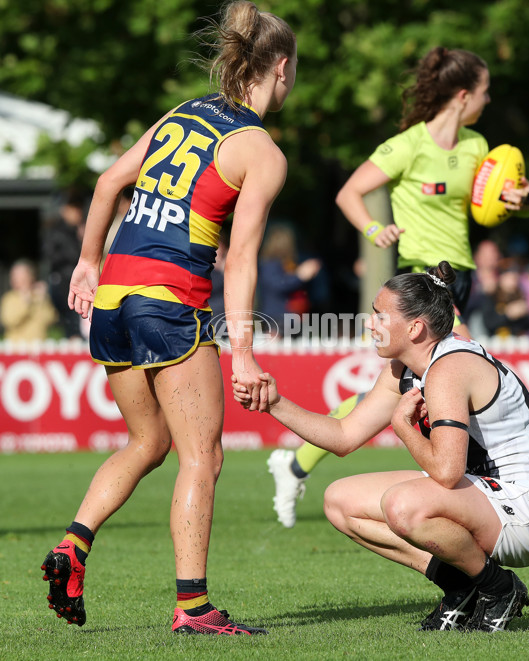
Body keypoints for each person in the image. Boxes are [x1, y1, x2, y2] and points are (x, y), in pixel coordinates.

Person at [40, 0, 297, 636]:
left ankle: (73, 545)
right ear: (282, 70)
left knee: (149, 441)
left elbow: (106, 185)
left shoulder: (183, 114)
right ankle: (193, 607)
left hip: (112, 297)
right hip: (168, 300)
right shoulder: (261, 151)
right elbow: (239, 258)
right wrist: (243, 349)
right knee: (201, 455)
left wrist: (86, 262)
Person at [268, 46, 529, 527]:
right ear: (462, 96)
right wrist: (375, 232)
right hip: (424, 277)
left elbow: (502, 203)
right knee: (456, 368)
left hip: (462, 274)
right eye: (485, 92)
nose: (489, 100)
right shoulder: (409, 144)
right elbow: (348, 192)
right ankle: (467, 483)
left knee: (398, 384)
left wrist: (525, 199)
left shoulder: (478, 147)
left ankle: (294, 463)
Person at [239, 262, 529, 632]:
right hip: (484, 497)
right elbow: (344, 436)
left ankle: (498, 587)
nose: (369, 323)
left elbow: (446, 472)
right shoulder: (403, 369)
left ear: (415, 328)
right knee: (339, 501)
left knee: (403, 505)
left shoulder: (449, 368)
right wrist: (274, 403)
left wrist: (403, 426)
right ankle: (460, 584)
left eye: (380, 315)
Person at [257, 224, 322, 335]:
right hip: (276, 317)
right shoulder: (269, 263)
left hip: (290, 316)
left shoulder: (288, 263)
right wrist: (300, 276)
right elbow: (278, 285)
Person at [41, 189, 87, 339]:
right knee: (71, 324)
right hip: (64, 284)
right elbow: (54, 256)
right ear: (64, 210)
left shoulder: (81, 229)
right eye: (74, 209)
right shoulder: (56, 231)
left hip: (79, 283)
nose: (78, 213)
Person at [0, 259, 58, 341]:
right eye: (14, 276)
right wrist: (25, 303)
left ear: (31, 277)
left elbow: (51, 319)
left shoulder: (39, 296)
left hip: (39, 346)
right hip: (16, 348)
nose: (16, 279)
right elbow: (9, 321)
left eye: (20, 276)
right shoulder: (9, 298)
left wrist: (43, 300)